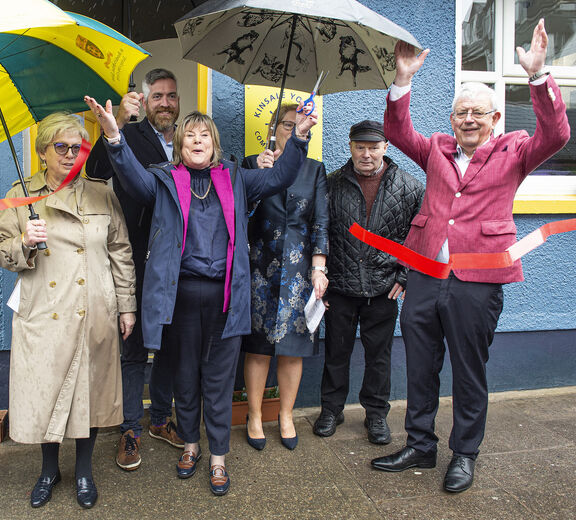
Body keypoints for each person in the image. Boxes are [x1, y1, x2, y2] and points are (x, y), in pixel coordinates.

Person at [371, 19, 570, 493]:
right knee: (420, 365)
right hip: (425, 277)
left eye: (477, 113)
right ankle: (420, 445)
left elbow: (558, 134)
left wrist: (538, 78)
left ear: (495, 118)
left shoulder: (515, 150)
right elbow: (397, 132)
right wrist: (403, 80)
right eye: (461, 113)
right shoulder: (436, 149)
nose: (468, 120)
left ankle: (464, 453)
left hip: (477, 282)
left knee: (468, 370)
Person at [84, 93, 317, 496]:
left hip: (227, 298)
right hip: (181, 297)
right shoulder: (163, 179)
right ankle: (191, 445)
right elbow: (131, 179)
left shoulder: (236, 178)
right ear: (179, 144)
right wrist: (113, 135)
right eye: (189, 134)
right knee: (186, 377)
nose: (196, 140)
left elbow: (280, 177)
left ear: (214, 145)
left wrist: (296, 139)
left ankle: (219, 457)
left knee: (220, 380)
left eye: (204, 135)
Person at [0, 112, 136, 509]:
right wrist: (23, 240)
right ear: (42, 153)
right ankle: (49, 469)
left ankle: (85, 471)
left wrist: (126, 306)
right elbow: (0, 250)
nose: (71, 154)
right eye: (62, 147)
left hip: (94, 308)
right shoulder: (21, 194)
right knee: (47, 393)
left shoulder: (101, 192)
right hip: (45, 312)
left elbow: (120, 250)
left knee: (88, 392)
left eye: (78, 147)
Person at [86, 68, 183, 470]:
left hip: (178, 263)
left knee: (170, 347)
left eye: (171, 96)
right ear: (144, 100)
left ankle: (159, 419)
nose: (165, 103)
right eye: (157, 96)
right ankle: (130, 428)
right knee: (133, 347)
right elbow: (94, 171)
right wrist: (119, 122)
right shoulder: (130, 134)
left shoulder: (188, 137)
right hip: (137, 258)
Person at [315, 120, 424, 445]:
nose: (366, 154)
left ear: (386, 148)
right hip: (341, 287)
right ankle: (331, 410)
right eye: (360, 147)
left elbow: (420, 237)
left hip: (383, 288)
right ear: (350, 146)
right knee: (336, 353)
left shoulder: (409, 187)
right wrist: (322, 278)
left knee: (379, 356)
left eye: (373, 147)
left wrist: (404, 275)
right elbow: (320, 232)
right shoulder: (331, 184)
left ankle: (376, 414)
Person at [242, 102, 329, 451]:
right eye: (287, 125)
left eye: (301, 126)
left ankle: (287, 414)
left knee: (294, 349)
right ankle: (253, 414)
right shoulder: (252, 164)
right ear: (273, 129)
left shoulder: (314, 170)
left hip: (299, 272)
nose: (293, 131)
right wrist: (258, 178)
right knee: (258, 348)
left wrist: (319, 268)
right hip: (258, 267)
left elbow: (321, 221)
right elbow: (239, 217)